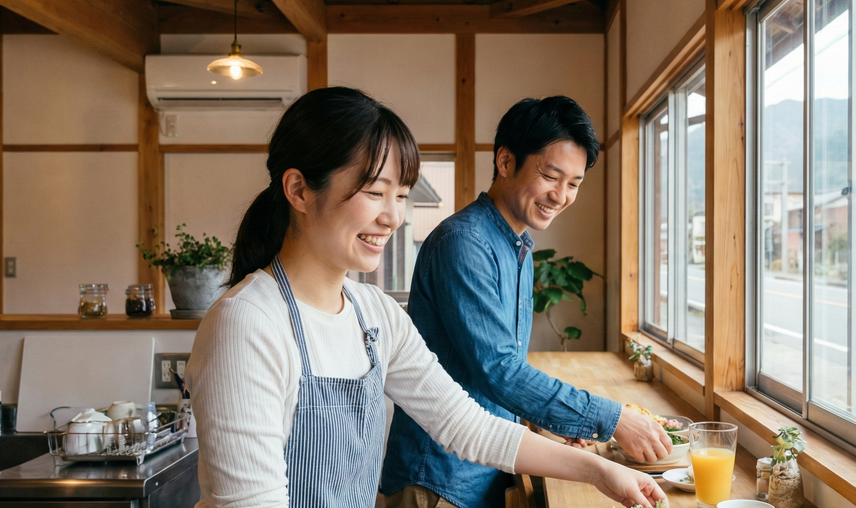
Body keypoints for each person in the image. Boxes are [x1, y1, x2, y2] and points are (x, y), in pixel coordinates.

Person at [185, 87, 667, 508]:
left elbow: (466, 425)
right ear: (298, 189)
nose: (394, 217)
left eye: (402, 195)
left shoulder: (373, 314)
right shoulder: (247, 323)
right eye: (375, 192)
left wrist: (601, 471)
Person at [381, 96, 675, 508]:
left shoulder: (517, 246)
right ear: (505, 161)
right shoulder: (465, 243)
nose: (561, 195)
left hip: (484, 464)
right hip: (439, 479)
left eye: (574, 184)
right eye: (551, 176)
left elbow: (494, 371)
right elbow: (498, 371)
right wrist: (612, 420)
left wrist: (549, 418)